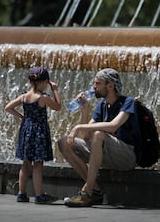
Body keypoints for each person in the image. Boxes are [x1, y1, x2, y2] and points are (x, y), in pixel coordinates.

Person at [58, 68, 138, 207]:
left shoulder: (128, 102)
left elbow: (113, 126)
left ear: (110, 86)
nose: (94, 87)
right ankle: (95, 191)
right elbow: (85, 137)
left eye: (97, 83)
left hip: (127, 156)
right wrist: (84, 111)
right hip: (106, 153)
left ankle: (86, 191)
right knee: (64, 142)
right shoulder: (102, 105)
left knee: (98, 133)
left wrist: (78, 127)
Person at [5, 66, 62, 204]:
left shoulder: (24, 96)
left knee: (25, 164)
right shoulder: (43, 98)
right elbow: (58, 107)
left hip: (26, 130)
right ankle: (39, 195)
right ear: (43, 82)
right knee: (38, 164)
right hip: (39, 133)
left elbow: (8, 107)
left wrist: (22, 117)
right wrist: (55, 90)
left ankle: (21, 194)